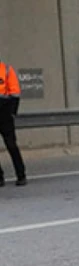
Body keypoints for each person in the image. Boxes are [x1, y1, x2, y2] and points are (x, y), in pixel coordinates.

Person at [0, 58, 27, 186]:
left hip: (4, 113)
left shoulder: (6, 70)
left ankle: (21, 175)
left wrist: (12, 112)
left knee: (11, 145)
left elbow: (15, 92)